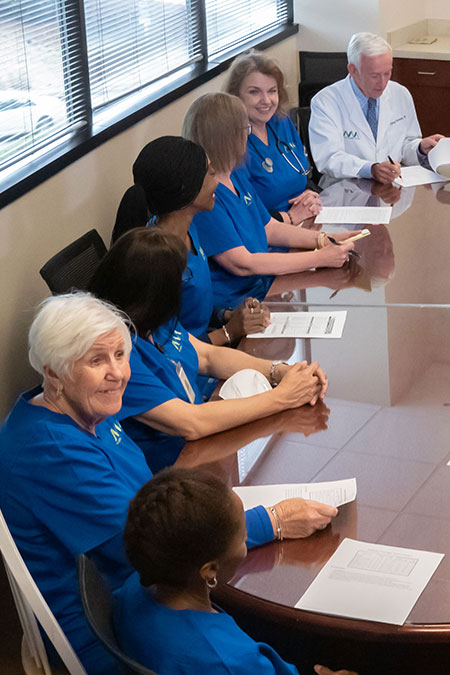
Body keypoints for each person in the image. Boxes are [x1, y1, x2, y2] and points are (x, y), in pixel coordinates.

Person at [0, 293, 332, 674]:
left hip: (141, 591)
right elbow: (151, 543)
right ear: (53, 372)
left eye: (120, 355)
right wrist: (271, 520)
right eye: (97, 360)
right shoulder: (52, 452)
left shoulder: (87, 404)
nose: (117, 373)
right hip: (116, 634)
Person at [89, 227, 336, 482]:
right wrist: (284, 396)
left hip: (205, 435)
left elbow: (208, 356)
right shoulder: (118, 352)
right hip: (175, 469)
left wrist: (281, 371)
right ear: (153, 293)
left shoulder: (154, 320)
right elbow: (190, 422)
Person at [115, 467, 357, 675]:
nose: (246, 538)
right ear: (210, 570)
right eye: (243, 536)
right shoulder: (230, 661)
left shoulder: (132, 588)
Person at [182, 91, 356, 310]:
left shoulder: (234, 174)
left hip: (262, 284)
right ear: (226, 137)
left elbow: (268, 227)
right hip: (235, 303)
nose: (249, 134)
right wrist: (320, 258)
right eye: (245, 129)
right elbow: (243, 264)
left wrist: (324, 239)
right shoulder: (205, 196)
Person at [112, 136, 270, 346]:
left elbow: (194, 310)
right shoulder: (154, 261)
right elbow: (165, 350)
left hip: (210, 342)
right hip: (189, 366)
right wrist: (228, 332)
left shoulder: (191, 229)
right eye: (211, 174)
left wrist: (227, 315)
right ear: (186, 190)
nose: (217, 183)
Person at [309, 32, 444, 185]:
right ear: (353, 70)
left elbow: (405, 145)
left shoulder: (400, 93)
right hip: (344, 190)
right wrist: (370, 169)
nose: (383, 82)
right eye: (374, 76)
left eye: (387, 73)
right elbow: (328, 158)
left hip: (391, 188)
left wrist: (420, 148)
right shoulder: (325, 102)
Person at [225, 50, 322, 223]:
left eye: (272, 91)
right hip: (270, 236)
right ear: (236, 96)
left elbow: (303, 172)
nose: (266, 100)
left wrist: (308, 194)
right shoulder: (232, 144)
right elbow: (242, 215)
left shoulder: (281, 123)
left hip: (306, 220)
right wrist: (290, 217)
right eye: (254, 92)